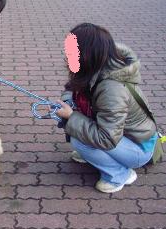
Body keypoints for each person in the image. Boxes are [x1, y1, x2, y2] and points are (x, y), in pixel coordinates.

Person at [56, 23, 163, 193]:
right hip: (122, 136)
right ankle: (97, 157)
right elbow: (71, 89)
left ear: (86, 54)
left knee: (80, 140)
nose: (67, 54)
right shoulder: (95, 68)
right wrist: (69, 103)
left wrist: (72, 117)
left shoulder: (111, 89)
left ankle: (120, 175)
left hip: (139, 147)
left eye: (72, 50)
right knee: (81, 137)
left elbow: (106, 138)